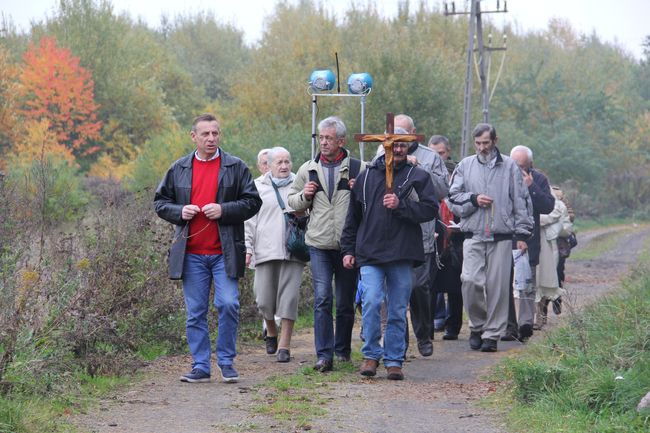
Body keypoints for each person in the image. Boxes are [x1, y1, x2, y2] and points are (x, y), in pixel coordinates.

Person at [154, 113, 262, 383]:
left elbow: (253, 202)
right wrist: (181, 211)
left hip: (224, 253)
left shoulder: (235, 167)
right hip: (191, 254)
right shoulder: (178, 168)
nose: (211, 138)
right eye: (206, 134)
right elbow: (160, 203)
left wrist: (224, 209)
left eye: (215, 133)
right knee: (196, 312)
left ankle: (226, 361)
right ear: (194, 137)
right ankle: (201, 365)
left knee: (228, 304)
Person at [341, 137, 438, 380]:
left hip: (402, 252)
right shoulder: (365, 178)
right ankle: (371, 355)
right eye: (392, 145)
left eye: (402, 145)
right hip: (370, 251)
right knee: (372, 301)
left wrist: (401, 205)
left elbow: (430, 209)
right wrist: (348, 250)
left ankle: (394, 359)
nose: (397, 149)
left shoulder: (417, 176)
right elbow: (352, 218)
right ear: (383, 148)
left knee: (396, 309)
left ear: (408, 148)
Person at [288, 116, 364, 372]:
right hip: (318, 243)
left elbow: (372, 202)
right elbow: (291, 202)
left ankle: (342, 351)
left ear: (341, 141)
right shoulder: (308, 169)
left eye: (329, 138)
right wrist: (304, 195)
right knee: (322, 299)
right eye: (321, 137)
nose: (324, 142)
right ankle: (323, 355)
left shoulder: (358, 169)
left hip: (347, 245)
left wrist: (360, 191)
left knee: (344, 301)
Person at [448, 123, 533, 353]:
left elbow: (521, 199)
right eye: (478, 143)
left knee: (497, 288)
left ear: (495, 141)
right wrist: (474, 199)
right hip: (473, 233)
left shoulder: (510, 167)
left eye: (486, 143)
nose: (482, 147)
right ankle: (477, 325)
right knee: (470, 281)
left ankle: (492, 335)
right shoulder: (465, 165)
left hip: (501, 235)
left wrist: (523, 232)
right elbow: (452, 198)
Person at [377, 115, 449, 357]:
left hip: (421, 232)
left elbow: (442, 191)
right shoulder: (382, 151)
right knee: (393, 292)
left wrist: (419, 168)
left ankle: (423, 333)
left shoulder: (430, 157)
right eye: (394, 136)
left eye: (404, 135)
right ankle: (399, 344)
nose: (398, 141)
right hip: (388, 233)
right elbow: (373, 178)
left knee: (419, 287)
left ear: (414, 135)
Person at [245, 147, 306, 363]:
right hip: (265, 249)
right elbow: (249, 220)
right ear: (268, 165)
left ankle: (284, 345)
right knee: (263, 299)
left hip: (293, 250)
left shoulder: (300, 184)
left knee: (288, 298)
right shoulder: (257, 187)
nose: (284, 166)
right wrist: (248, 247)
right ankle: (271, 330)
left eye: (287, 161)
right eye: (279, 162)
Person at [509, 146, 555, 335]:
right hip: (505, 238)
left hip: (529, 239)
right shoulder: (503, 177)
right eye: (514, 165)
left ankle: (525, 323)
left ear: (530, 165)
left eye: (521, 166)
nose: (517, 170)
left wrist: (531, 187)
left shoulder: (539, 179)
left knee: (526, 282)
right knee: (504, 283)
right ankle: (508, 325)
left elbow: (547, 206)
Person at [428, 135, 464, 340]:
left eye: (441, 153)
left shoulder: (458, 171)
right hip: (433, 238)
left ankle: (453, 326)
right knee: (430, 286)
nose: (438, 158)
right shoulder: (425, 170)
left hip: (455, 239)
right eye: (434, 154)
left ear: (448, 151)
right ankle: (429, 325)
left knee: (454, 286)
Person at [536, 189, 570, 325]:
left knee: (553, 276)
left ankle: (545, 310)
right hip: (534, 243)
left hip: (555, 245)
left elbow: (566, 223)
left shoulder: (558, 201)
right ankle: (537, 314)